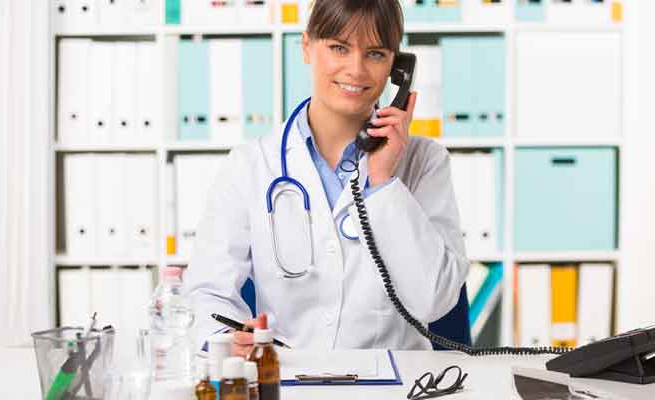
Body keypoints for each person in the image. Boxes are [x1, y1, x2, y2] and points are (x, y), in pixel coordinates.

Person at [184, 0, 470, 357]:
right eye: (338, 47)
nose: (357, 69)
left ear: (398, 67)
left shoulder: (424, 162)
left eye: (376, 53)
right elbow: (207, 292)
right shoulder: (250, 166)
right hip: (288, 377)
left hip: (399, 382)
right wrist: (229, 341)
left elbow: (435, 301)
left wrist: (383, 182)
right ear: (307, 47)